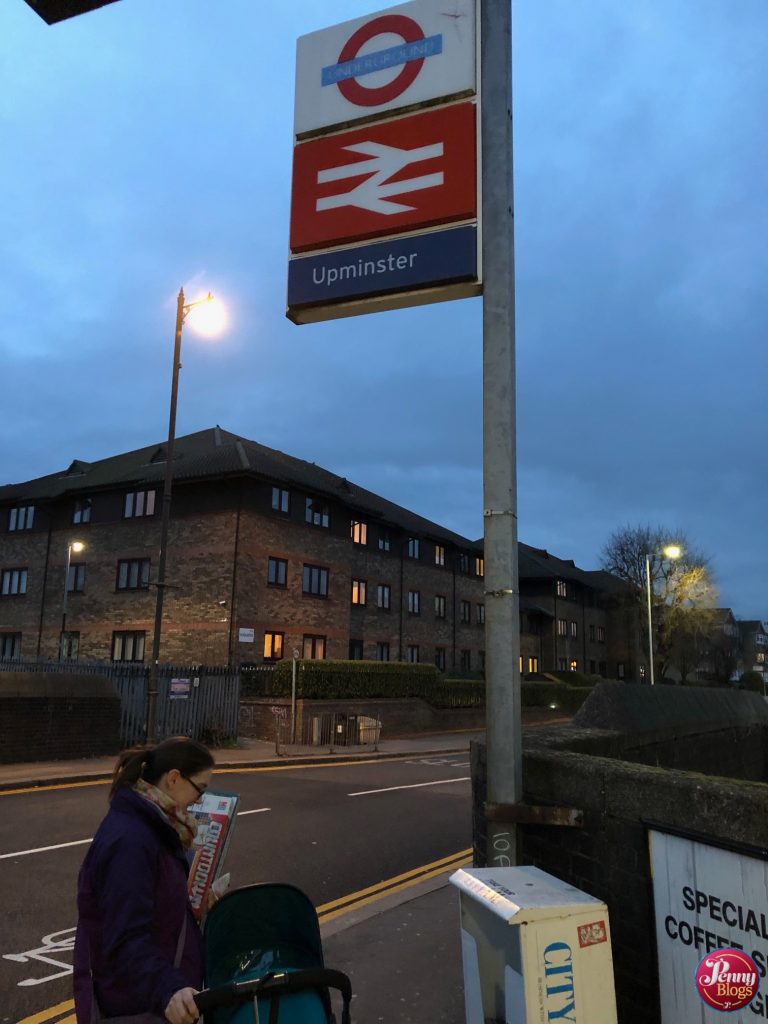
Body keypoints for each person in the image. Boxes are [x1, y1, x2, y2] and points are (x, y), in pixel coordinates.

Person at [74, 737, 215, 1024]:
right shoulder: (131, 841)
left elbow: (154, 906)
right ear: (174, 779)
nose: (199, 801)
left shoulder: (157, 826)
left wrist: (193, 905)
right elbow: (126, 938)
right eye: (199, 790)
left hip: (153, 1001)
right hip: (136, 1008)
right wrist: (169, 990)